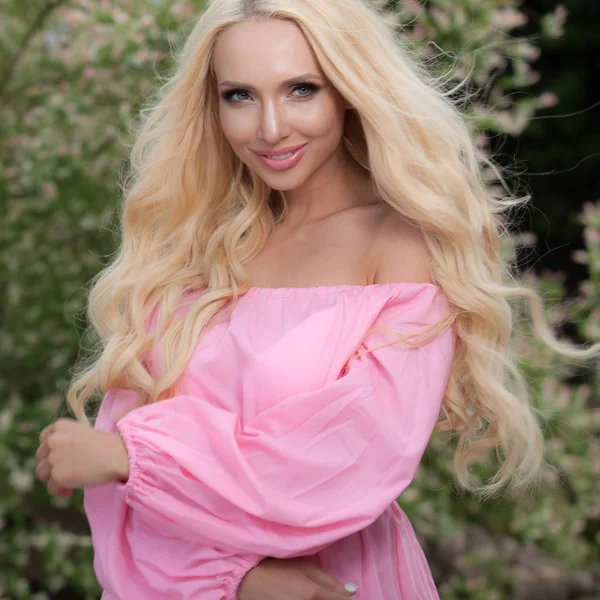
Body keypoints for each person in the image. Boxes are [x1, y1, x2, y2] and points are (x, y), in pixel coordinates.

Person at [33, 0, 599, 598]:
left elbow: (346, 462)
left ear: (348, 91)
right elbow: (126, 488)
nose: (271, 128)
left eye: (301, 90)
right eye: (240, 96)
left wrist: (134, 458)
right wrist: (237, 578)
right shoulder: (196, 249)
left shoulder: (398, 248)